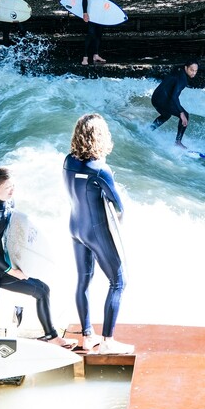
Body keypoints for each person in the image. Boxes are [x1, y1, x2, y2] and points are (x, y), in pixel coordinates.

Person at [0, 168, 72, 346]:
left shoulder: (9, 203)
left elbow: (13, 234)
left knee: (42, 290)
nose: (12, 190)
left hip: (1, 266)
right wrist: (12, 270)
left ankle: (52, 336)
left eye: (13, 186)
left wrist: (22, 260)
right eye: (8, 187)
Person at [62, 113, 133, 355]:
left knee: (84, 281)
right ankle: (108, 340)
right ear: (99, 137)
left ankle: (87, 336)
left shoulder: (67, 162)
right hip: (96, 231)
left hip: (75, 228)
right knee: (118, 282)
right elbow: (119, 206)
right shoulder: (101, 170)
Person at [149, 61, 205, 149]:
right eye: (191, 70)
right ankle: (178, 142)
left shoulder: (178, 69)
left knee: (166, 115)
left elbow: (197, 67)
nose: (194, 73)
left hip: (155, 97)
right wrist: (181, 112)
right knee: (185, 115)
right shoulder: (182, 79)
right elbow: (174, 97)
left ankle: (149, 129)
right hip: (163, 100)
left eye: (195, 71)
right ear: (186, 68)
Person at [81, 0, 109, 66]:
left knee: (99, 33)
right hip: (91, 12)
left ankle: (96, 55)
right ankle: (85, 56)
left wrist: (108, 11)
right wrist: (85, 12)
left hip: (101, 12)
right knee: (91, 33)